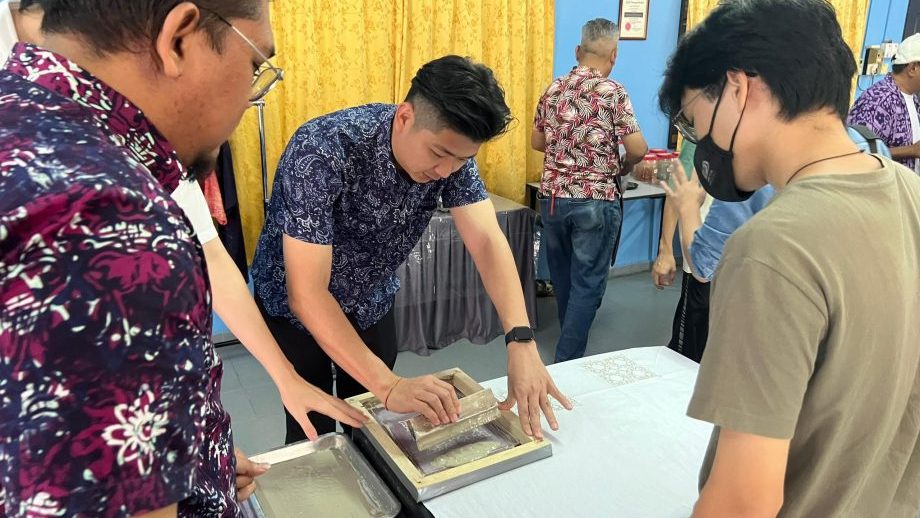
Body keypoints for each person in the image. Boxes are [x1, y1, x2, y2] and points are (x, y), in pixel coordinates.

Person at [0, 1, 364, 515]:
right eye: (254, 66)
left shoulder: (27, 114)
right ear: (178, 40)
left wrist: (193, 458)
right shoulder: (114, 221)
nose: (248, 100)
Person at [658, 0, 920, 516]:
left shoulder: (771, 248)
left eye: (694, 121)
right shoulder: (909, 193)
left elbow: (742, 501)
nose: (701, 143)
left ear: (738, 89)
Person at [251, 55, 571, 445]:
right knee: (312, 423)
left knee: (370, 420)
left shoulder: (453, 156)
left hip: (370, 298)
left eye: (462, 159)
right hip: (294, 310)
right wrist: (389, 385)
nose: (445, 171)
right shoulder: (321, 149)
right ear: (404, 117)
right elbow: (307, 294)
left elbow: (487, 240)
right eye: (438, 154)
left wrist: (521, 340)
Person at [531, 18, 648, 363]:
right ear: (613, 55)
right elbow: (638, 148)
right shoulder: (613, 92)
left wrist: (565, 148)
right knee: (588, 283)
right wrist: (624, 165)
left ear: (577, 51)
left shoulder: (554, 89)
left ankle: (569, 340)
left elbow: (537, 141)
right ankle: (567, 360)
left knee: (564, 278)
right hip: (595, 199)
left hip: (553, 198)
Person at [848, 32, 920, 173]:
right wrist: (911, 150)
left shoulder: (912, 98)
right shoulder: (878, 101)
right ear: (912, 68)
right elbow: (858, 153)